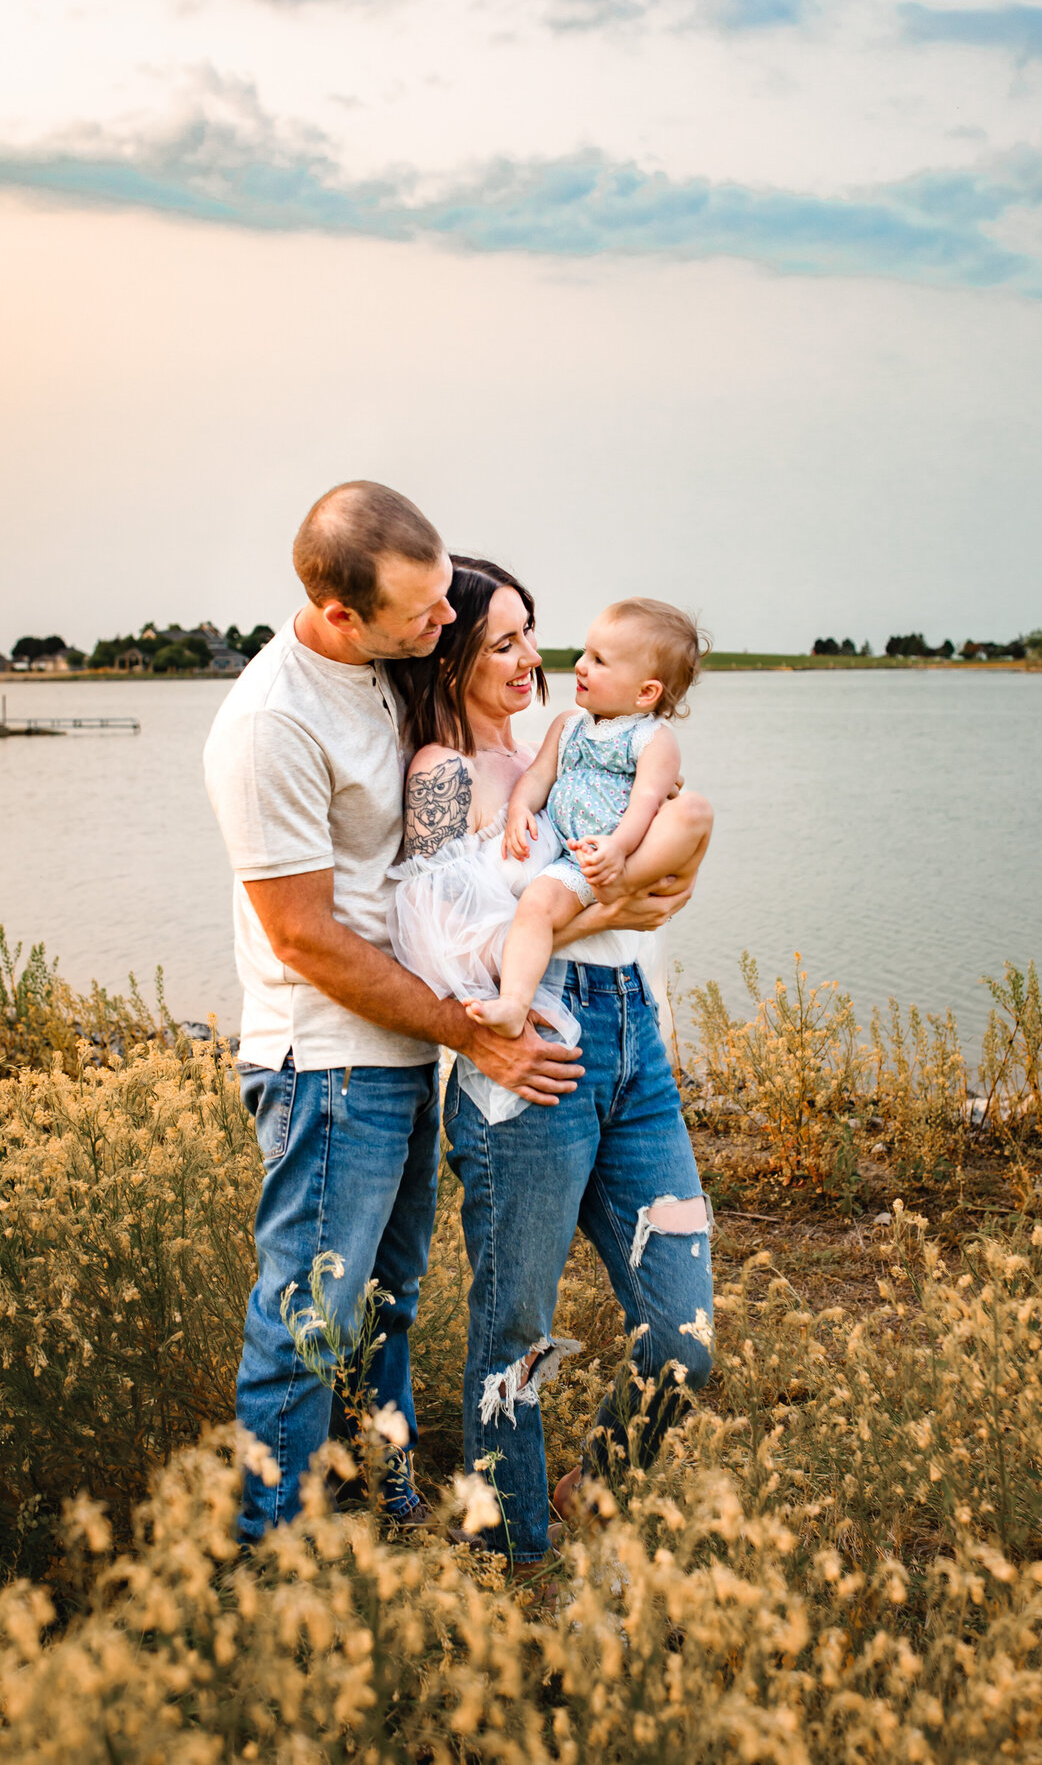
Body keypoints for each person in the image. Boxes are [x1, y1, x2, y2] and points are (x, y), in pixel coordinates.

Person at [204, 484, 694, 1543]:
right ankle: (266, 1547)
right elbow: (334, 925)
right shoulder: (275, 722)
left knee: (389, 1295)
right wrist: (490, 1005)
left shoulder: (395, 686)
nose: (442, 627)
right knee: (315, 1310)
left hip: (411, 1037)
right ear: (350, 615)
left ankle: (379, 1491)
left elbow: (615, 841)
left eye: (451, 611)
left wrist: (659, 862)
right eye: (474, 631)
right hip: (332, 1044)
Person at [391, 557, 715, 1568]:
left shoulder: (570, 752)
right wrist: (615, 903)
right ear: (451, 655)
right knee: (517, 1334)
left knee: (685, 1331)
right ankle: (511, 1549)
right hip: (526, 1068)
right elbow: (435, 937)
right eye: (505, 640)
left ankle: (597, 1479)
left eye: (534, 633)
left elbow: (654, 874)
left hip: (634, 1052)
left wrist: (668, 865)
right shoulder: (442, 772)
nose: (534, 657)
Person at [463, 597, 711, 1040]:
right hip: (572, 858)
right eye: (584, 653)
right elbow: (539, 775)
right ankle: (514, 1003)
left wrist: (617, 849)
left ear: (645, 692)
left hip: (620, 850)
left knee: (694, 810)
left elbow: (646, 803)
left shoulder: (653, 739)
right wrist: (520, 809)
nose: (580, 666)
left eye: (599, 661)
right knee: (536, 907)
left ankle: (626, 881)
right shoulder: (568, 725)